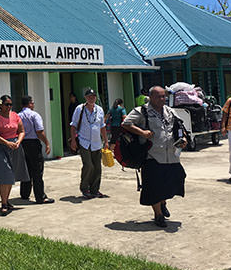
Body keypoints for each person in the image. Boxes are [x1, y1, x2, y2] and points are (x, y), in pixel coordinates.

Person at [122, 86, 187, 228]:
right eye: (159, 97)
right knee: (154, 187)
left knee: (175, 180)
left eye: (164, 96)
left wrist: (184, 139)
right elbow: (126, 123)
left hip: (171, 156)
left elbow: (180, 126)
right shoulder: (142, 111)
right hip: (153, 156)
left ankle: (163, 203)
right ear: (151, 97)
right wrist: (142, 132)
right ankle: (158, 215)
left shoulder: (170, 111)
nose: (162, 99)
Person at [0, 95, 29, 216]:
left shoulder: (15, 116)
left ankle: (7, 200)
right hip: (1, 147)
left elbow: (21, 131)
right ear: (0, 105)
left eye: (11, 104)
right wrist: (7, 143)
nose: (9, 107)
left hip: (14, 147)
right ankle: (4, 204)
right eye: (7, 104)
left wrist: (18, 141)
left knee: (11, 174)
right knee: (4, 174)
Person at [70, 88, 108, 199]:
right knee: (88, 165)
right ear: (85, 98)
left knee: (97, 167)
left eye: (93, 96)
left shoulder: (99, 110)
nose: (92, 98)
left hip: (96, 143)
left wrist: (106, 141)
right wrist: (73, 140)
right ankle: (84, 187)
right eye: (89, 96)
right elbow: (73, 125)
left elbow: (102, 127)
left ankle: (95, 189)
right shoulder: (80, 109)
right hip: (84, 141)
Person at [18, 95, 54, 204]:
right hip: (33, 143)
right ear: (29, 104)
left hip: (22, 143)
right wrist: (47, 143)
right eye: (32, 102)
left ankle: (24, 193)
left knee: (26, 168)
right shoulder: (34, 115)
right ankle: (40, 196)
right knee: (37, 171)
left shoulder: (18, 116)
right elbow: (39, 131)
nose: (33, 104)